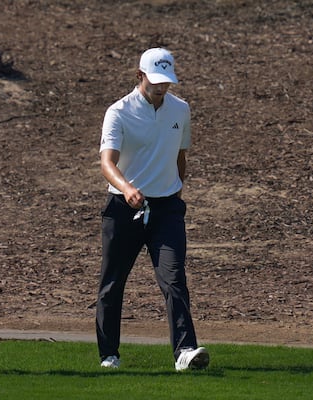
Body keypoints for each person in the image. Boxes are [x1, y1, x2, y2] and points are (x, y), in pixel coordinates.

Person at [95, 48, 209, 371]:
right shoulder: (118, 112)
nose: (161, 88)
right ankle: (109, 354)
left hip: (166, 209)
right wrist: (128, 188)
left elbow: (180, 158)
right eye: (155, 81)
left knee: (174, 279)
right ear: (139, 76)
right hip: (123, 206)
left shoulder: (180, 110)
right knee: (112, 282)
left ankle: (185, 351)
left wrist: (172, 192)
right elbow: (107, 162)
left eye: (166, 82)